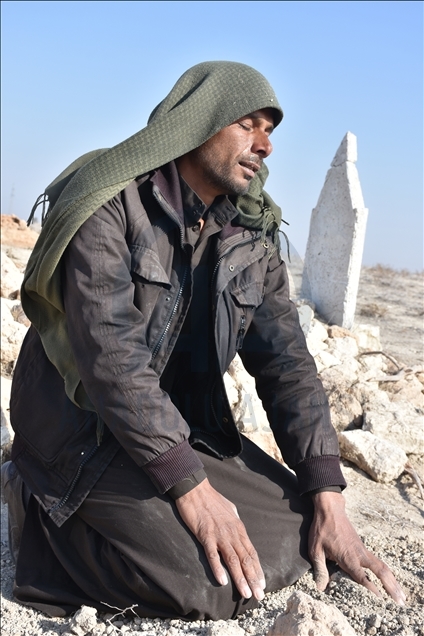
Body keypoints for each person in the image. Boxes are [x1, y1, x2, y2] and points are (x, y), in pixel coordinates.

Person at [2, 61, 405, 620]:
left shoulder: (251, 236)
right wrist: (191, 488)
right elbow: (112, 359)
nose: (265, 145)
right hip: (81, 432)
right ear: (196, 122)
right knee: (213, 585)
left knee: (303, 535)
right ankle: (41, 521)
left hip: (174, 429)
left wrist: (328, 494)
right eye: (247, 124)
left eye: (270, 130)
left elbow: (288, 366)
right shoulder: (111, 205)